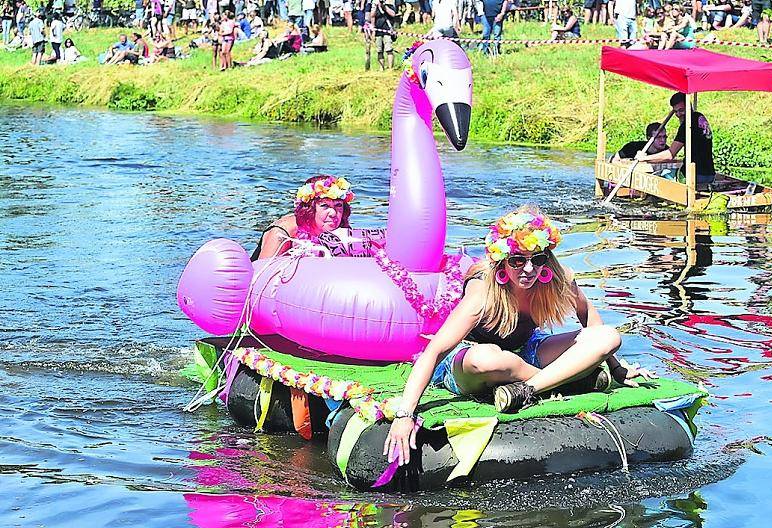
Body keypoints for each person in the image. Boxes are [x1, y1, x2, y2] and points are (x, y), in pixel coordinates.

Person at [383, 206, 657, 463]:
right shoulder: (483, 293)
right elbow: (435, 350)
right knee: (490, 358)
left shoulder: (559, 279)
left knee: (608, 336)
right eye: (517, 261)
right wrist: (405, 414)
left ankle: (527, 390)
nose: (529, 269)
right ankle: (569, 381)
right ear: (502, 261)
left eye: (536, 260)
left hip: (525, 354)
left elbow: (590, 319)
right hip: (471, 360)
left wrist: (617, 368)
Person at [252, 175, 386, 260]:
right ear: (310, 209)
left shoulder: (340, 229)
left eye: (338, 205)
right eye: (325, 206)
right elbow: (261, 275)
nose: (333, 213)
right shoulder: (284, 231)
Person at [637, 92, 715, 188]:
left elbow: (670, 154)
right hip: (709, 174)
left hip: (695, 176)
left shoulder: (687, 125)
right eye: (675, 111)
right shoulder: (699, 117)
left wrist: (644, 158)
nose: (678, 114)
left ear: (688, 106)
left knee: (661, 176)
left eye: (681, 110)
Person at [370, 0, 396, 69]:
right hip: (378, 31)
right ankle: (381, 68)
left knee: (389, 49)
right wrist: (375, 7)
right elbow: (372, 16)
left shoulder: (389, 5)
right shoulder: (375, 6)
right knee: (379, 51)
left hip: (387, 31)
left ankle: (390, 67)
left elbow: (393, 14)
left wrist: (384, 7)